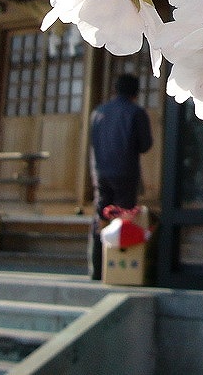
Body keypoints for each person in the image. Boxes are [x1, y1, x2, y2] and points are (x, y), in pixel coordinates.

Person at [89, 73, 153, 279]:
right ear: (136, 92)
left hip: (100, 171)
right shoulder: (136, 112)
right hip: (125, 171)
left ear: (115, 90)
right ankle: (118, 271)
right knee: (123, 219)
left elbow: (93, 142)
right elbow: (145, 145)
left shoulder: (98, 112)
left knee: (101, 216)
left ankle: (97, 268)